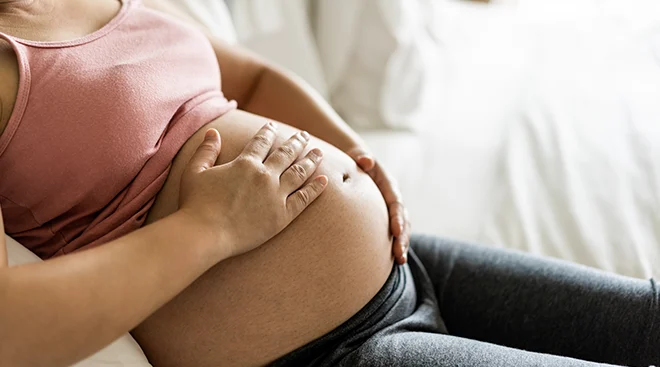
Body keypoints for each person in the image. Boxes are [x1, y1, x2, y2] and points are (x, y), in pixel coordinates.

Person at [0, 0, 657, 366]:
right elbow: (11, 324)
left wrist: (353, 154)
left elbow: (250, 78)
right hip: (322, 355)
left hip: (406, 260)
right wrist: (209, 228)